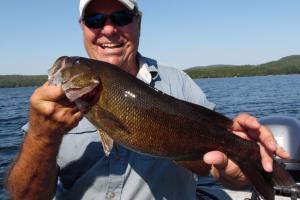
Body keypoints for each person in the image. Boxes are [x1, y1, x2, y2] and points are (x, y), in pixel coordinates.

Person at [6, 0, 289, 199]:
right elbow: (23, 197)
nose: (108, 30)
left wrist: (237, 160)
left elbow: (218, 169)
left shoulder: (178, 83)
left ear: (138, 22)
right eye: (95, 20)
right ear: (82, 27)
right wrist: (42, 137)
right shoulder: (51, 106)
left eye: (120, 18)